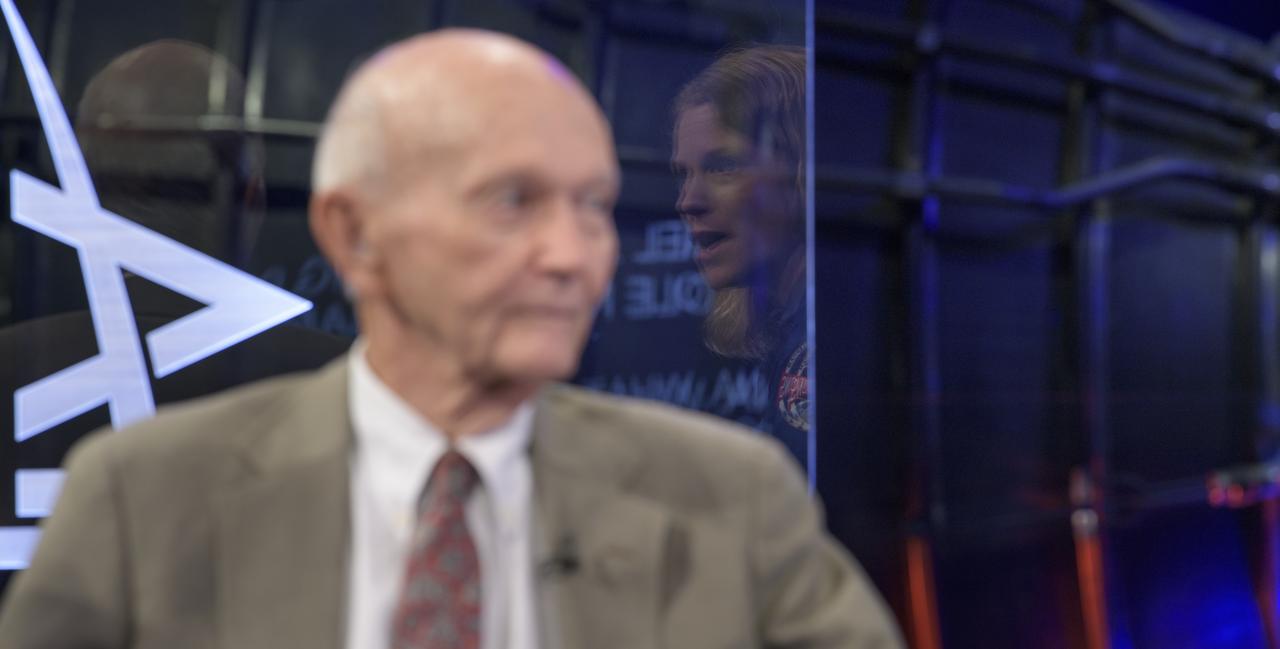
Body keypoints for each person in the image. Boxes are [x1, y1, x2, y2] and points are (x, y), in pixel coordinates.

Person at [0, 30, 903, 649]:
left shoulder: (733, 498)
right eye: (512, 201)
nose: (571, 253)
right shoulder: (137, 498)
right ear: (354, 232)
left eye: (592, 205)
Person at [672, 45, 810, 462]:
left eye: (723, 167)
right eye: (683, 174)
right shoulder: (790, 324)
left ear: (801, 172)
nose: (687, 201)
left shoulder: (835, 332)